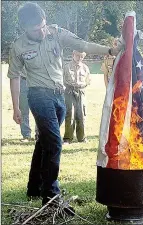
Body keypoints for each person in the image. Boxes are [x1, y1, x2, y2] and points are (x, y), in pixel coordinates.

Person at [7, 2, 122, 213]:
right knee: (55, 143)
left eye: (43, 25)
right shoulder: (18, 47)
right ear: (25, 29)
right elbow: (14, 77)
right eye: (35, 29)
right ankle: (51, 196)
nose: (42, 32)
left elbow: (83, 45)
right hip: (38, 96)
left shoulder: (56, 32)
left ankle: (34, 186)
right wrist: (16, 108)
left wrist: (110, 50)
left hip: (60, 96)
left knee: (44, 142)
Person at [63, 51, 91, 144]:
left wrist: (82, 85)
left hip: (81, 91)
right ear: (73, 55)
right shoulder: (66, 67)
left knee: (81, 114)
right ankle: (68, 138)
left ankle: (81, 138)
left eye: (82, 56)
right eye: (78, 56)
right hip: (69, 91)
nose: (79, 58)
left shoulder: (85, 68)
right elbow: (62, 80)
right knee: (69, 114)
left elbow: (88, 81)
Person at [19, 67, 39, 142]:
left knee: (39, 110)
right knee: (23, 110)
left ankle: (38, 134)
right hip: (23, 81)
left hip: (37, 81)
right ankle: (26, 135)